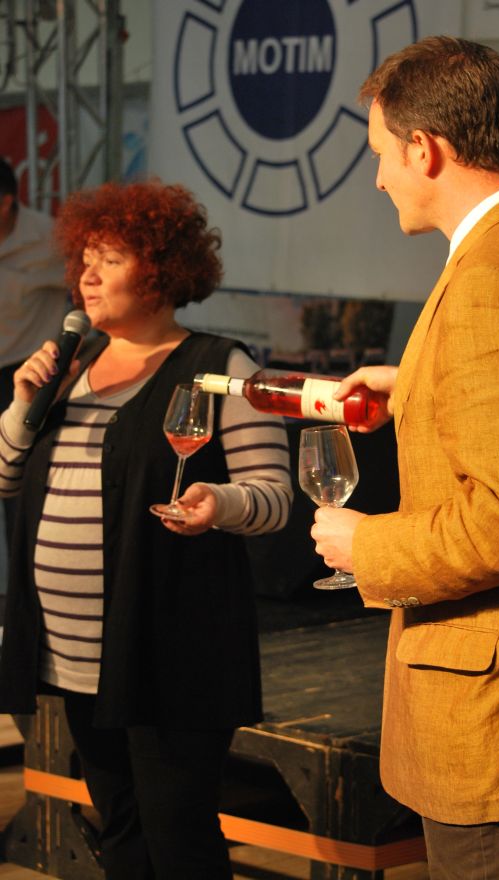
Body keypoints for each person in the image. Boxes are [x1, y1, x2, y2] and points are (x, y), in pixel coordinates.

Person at [309, 35, 499, 880]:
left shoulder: (488, 279)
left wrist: (367, 547)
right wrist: (421, 383)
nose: (377, 178)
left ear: (424, 149)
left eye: (380, 154)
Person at [0, 178, 293, 880]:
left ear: (161, 270)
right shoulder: (72, 366)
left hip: (168, 651)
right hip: (73, 656)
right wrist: (21, 404)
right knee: (122, 826)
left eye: (111, 259)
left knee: (178, 835)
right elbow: (7, 477)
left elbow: (277, 497)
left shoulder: (220, 366)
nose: (88, 276)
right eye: (85, 259)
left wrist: (219, 503)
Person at [0, 157, 68, 544]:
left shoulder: (50, 239)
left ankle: (21, 573)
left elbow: (90, 290)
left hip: (25, 377)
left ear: (6, 202)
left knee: (18, 485)